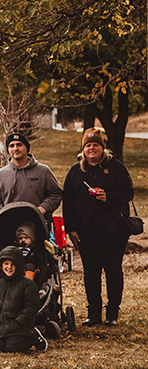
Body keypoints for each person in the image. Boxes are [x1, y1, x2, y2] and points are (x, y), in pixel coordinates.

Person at [62, 127, 134, 327]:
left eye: (95, 145)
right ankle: (93, 313)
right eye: (88, 145)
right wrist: (70, 228)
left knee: (113, 270)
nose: (91, 148)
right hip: (86, 232)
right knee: (90, 272)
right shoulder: (75, 171)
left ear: (102, 148)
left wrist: (108, 196)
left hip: (114, 231)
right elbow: (67, 201)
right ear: (83, 149)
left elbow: (129, 192)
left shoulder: (115, 167)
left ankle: (112, 313)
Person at [0, 132, 62, 229]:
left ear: (27, 148)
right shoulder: (0, 174)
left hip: (39, 224)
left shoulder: (43, 171)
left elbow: (56, 194)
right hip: (9, 225)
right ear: (8, 150)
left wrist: (42, 209)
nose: (15, 148)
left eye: (19, 145)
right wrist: (2, 215)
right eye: (11, 146)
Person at [0, 245, 40, 353]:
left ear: (18, 265)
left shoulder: (27, 284)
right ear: (0, 265)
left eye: (13, 264)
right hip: (5, 327)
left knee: (12, 348)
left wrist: (18, 322)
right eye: (6, 264)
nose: (9, 267)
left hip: (20, 327)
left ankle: (33, 336)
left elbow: (31, 307)